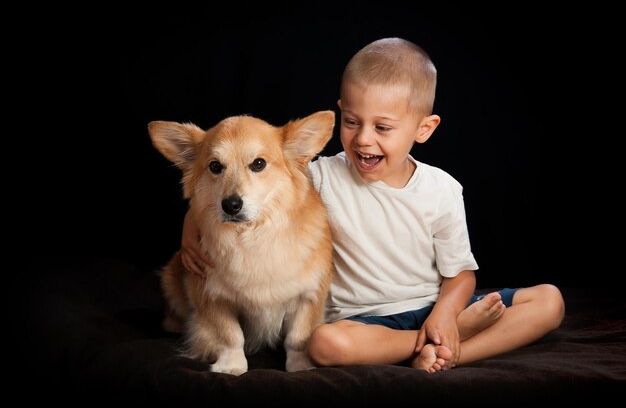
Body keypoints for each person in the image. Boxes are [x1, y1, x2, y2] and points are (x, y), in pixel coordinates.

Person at [179, 37, 565, 373]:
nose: (363, 139)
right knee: (325, 345)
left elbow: (461, 275)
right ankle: (444, 343)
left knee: (549, 300)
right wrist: (191, 226)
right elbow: (253, 190)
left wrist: (446, 315)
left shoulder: (442, 189)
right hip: (361, 324)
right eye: (351, 121)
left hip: (434, 305)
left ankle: (450, 347)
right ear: (341, 110)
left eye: (382, 127)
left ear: (423, 129)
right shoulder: (321, 175)